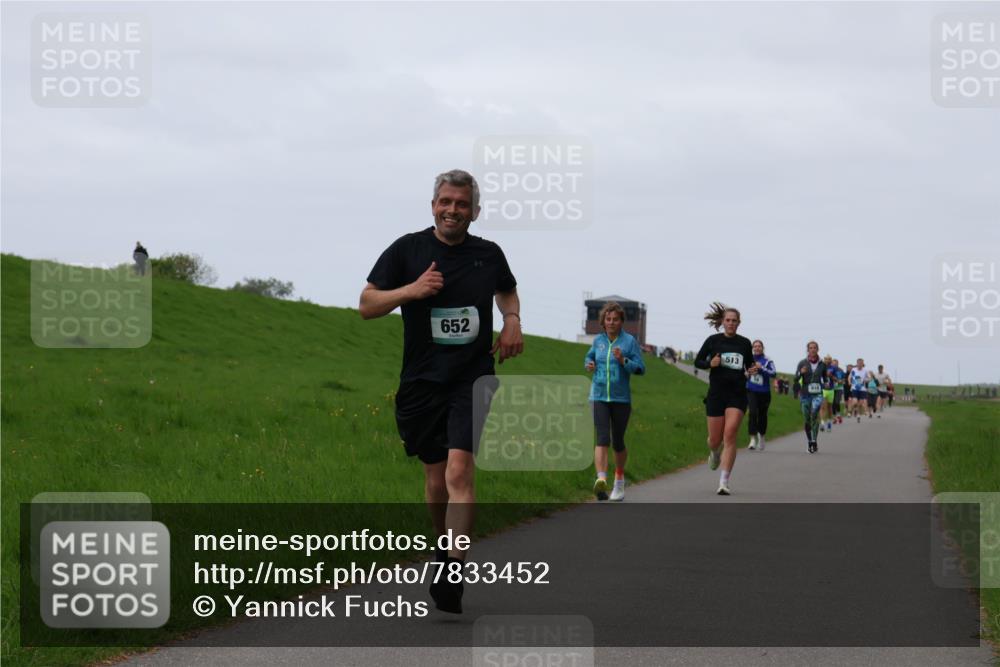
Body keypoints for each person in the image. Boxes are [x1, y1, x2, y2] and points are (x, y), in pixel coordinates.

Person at [359, 169, 523, 614]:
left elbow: (507, 291)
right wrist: (412, 290)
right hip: (421, 381)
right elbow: (366, 304)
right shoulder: (407, 249)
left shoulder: (488, 254)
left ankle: (453, 569)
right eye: (446, 202)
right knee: (435, 481)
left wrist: (511, 320)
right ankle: (442, 548)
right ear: (433, 205)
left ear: (475, 210)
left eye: (462, 204)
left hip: (473, 377)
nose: (453, 210)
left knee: (458, 473)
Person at [693, 303, 759, 495]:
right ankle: (714, 453)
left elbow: (749, 365)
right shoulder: (713, 341)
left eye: (734, 321)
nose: (731, 324)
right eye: (728, 320)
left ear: (739, 323)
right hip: (716, 394)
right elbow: (698, 361)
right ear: (722, 322)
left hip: (737, 394)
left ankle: (724, 481)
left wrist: (752, 369)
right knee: (715, 440)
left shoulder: (745, 343)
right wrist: (710, 363)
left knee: (729, 435)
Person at [584, 302, 646, 501]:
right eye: (608, 319)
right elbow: (589, 358)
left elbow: (640, 368)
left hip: (621, 399)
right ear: (603, 321)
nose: (611, 322)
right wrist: (590, 364)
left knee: (618, 442)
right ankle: (601, 478)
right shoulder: (598, 341)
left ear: (621, 321)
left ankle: (619, 480)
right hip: (598, 396)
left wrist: (623, 361)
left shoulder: (629, 342)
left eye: (615, 319)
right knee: (602, 438)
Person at [793, 341, 828, 453]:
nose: (812, 349)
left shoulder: (822, 364)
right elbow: (795, 379)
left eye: (814, 348)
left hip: (817, 394)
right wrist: (801, 373)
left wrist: (826, 383)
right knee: (807, 419)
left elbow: (825, 378)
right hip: (805, 394)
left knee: (814, 414)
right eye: (810, 348)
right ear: (808, 350)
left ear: (818, 349)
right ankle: (810, 441)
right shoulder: (802, 363)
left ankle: (814, 440)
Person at [746, 339, 776, 451]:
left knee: (762, 415)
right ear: (753, 348)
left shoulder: (767, 360)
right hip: (751, 390)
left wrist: (761, 368)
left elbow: (773, 373)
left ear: (762, 348)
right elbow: (743, 372)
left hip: (764, 392)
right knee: (753, 413)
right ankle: (752, 439)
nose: (757, 348)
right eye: (755, 346)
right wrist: (747, 373)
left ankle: (762, 436)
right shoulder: (749, 359)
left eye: (759, 346)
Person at [849, 358, 868, 423]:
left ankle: (858, 415)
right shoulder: (853, 370)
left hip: (862, 389)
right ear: (857, 363)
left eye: (861, 363)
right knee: (854, 402)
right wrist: (849, 382)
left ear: (863, 364)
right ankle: (851, 411)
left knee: (860, 404)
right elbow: (849, 377)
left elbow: (870, 378)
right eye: (858, 363)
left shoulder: (865, 371)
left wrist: (867, 380)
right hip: (855, 388)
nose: (859, 364)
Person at [819, 354, 836, 432]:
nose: (827, 360)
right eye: (826, 359)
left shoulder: (833, 368)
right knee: (822, 406)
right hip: (823, 389)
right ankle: (822, 423)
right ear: (824, 360)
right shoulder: (820, 367)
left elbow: (836, 378)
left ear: (831, 360)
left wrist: (831, 376)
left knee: (829, 408)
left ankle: (829, 423)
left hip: (830, 390)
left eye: (829, 359)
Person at [830, 358, 846, 425]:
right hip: (831, 388)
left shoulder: (840, 370)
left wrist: (841, 381)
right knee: (833, 403)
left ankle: (838, 415)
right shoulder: (829, 370)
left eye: (835, 364)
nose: (834, 365)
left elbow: (844, 379)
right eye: (833, 364)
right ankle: (834, 417)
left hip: (839, 388)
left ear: (838, 364)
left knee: (837, 402)